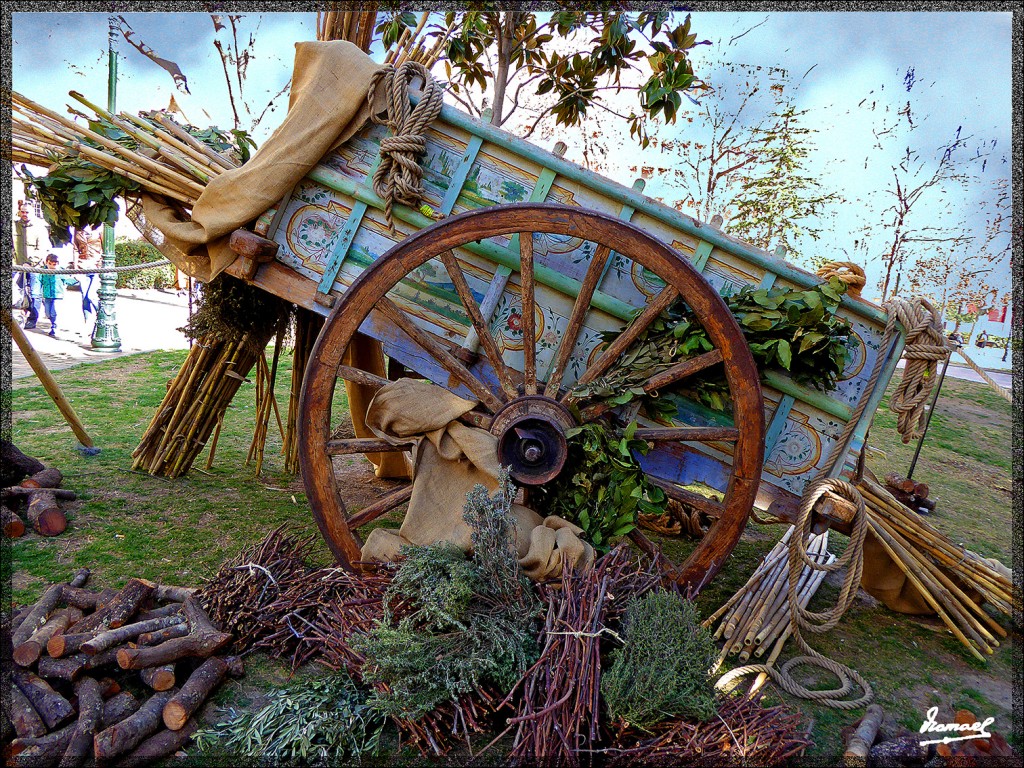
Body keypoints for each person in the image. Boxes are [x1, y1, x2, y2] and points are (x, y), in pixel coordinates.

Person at [39, 253, 77, 338]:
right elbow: (39, 282)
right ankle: (53, 323)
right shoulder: (42, 271)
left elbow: (68, 279)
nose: (53, 265)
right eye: (50, 263)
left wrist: (76, 279)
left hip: (58, 295)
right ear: (46, 262)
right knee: (48, 313)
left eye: (55, 263)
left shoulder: (60, 271)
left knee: (54, 311)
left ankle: (55, 327)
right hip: (47, 295)